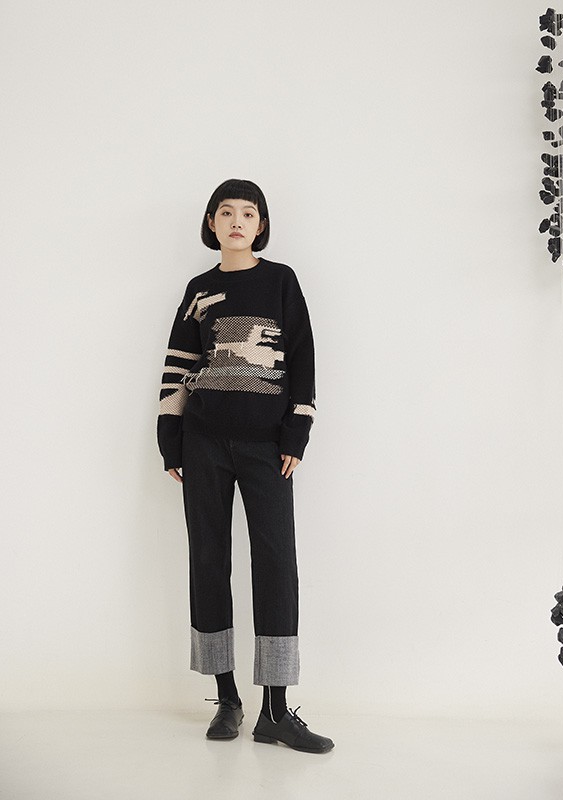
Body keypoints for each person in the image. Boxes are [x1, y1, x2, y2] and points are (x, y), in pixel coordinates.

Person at [157, 178, 334, 754]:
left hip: (267, 448)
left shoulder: (281, 281)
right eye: (226, 212)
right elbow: (179, 363)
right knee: (209, 560)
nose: (237, 221)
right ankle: (228, 698)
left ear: (261, 225)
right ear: (211, 223)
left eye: (249, 213)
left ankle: (275, 711)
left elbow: (302, 359)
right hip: (203, 444)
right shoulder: (199, 289)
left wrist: (297, 431)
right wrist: (170, 439)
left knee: (276, 564)